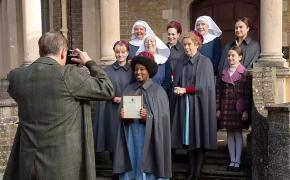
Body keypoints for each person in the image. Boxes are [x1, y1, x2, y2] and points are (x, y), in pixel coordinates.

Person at [4, 32, 114, 180]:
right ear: (63, 52)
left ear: (40, 51)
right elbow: (107, 89)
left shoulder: (18, 77)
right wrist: (89, 62)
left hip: (28, 162)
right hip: (62, 166)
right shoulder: (69, 75)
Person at [113, 51, 172, 180]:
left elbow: (163, 119)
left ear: (149, 71)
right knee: (132, 162)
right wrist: (122, 115)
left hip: (149, 137)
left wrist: (149, 117)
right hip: (131, 136)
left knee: (145, 163)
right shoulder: (128, 89)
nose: (138, 72)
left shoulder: (158, 91)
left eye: (142, 69)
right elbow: (120, 114)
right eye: (136, 69)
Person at [171, 31, 217, 180]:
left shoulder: (205, 62)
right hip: (185, 105)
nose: (186, 47)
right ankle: (191, 171)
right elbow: (176, 81)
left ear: (197, 44)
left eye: (189, 44)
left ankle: (197, 173)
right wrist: (177, 88)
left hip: (199, 105)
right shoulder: (181, 62)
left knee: (199, 137)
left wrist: (185, 89)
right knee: (189, 139)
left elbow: (204, 86)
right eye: (184, 44)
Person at [93, 40, 134, 155]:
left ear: (127, 53)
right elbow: (102, 90)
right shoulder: (107, 71)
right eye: (117, 52)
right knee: (114, 137)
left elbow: (136, 89)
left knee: (128, 139)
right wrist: (112, 98)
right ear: (114, 53)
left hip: (129, 109)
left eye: (123, 52)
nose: (120, 55)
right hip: (112, 109)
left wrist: (126, 99)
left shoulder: (133, 71)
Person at [216, 46, 251, 172]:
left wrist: (246, 110)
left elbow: (247, 93)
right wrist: (218, 108)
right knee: (229, 133)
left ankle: (238, 160)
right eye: (229, 55)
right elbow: (218, 92)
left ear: (240, 57)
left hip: (239, 108)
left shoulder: (245, 73)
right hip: (226, 107)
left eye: (233, 56)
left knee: (238, 133)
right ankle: (232, 160)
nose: (230, 58)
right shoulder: (223, 72)